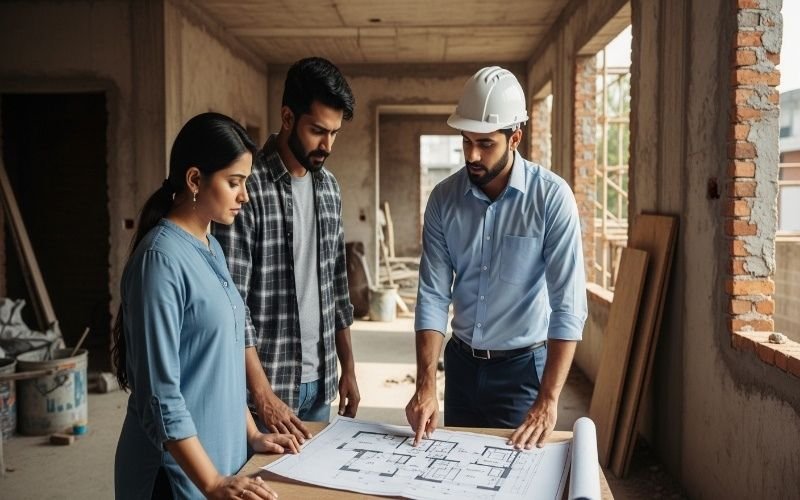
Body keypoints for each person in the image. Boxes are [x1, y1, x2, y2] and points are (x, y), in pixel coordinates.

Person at [113, 112, 299, 500]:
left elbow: (223, 364)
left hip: (222, 459)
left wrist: (252, 435)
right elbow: (159, 396)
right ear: (195, 179)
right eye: (234, 183)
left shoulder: (211, 246)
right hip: (176, 474)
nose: (244, 195)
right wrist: (211, 481)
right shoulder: (160, 261)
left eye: (245, 182)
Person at [405, 66, 588, 450]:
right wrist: (426, 384)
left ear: (515, 138)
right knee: (455, 474)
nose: (472, 154)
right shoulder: (443, 200)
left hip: (522, 372)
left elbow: (568, 306)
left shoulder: (551, 199)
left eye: (485, 143)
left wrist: (549, 399)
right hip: (461, 365)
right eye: (466, 141)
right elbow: (434, 296)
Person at [213, 57, 359, 443]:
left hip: (320, 382)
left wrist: (349, 368)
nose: (327, 145)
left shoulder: (329, 188)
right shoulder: (248, 188)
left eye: (334, 133)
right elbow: (232, 303)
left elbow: (337, 288)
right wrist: (261, 395)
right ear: (287, 117)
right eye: (317, 131)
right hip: (268, 390)